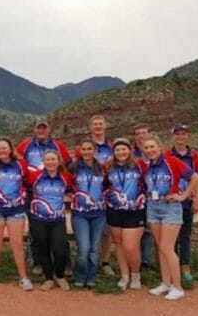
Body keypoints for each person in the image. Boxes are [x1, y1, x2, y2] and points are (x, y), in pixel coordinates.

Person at [143, 133, 198, 301]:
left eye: (152, 146)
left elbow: (195, 178)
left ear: (160, 147)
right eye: (146, 148)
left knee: (168, 248)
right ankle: (165, 283)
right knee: (161, 247)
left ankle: (178, 287)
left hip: (170, 207)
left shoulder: (172, 162)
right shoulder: (148, 166)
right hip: (153, 206)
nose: (149, 150)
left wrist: (184, 197)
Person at [17, 116, 71, 275]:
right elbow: (18, 164)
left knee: (59, 229)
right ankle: (38, 262)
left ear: (49, 129)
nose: (41, 130)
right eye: (38, 127)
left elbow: (68, 164)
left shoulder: (58, 145)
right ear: (34, 129)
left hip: (53, 191)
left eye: (44, 127)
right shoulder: (25, 145)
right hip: (32, 192)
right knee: (36, 230)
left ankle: (65, 262)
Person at [0, 138, 33, 291]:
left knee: (17, 244)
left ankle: (23, 277)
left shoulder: (21, 165)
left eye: (4, 148)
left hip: (15, 208)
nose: (1, 151)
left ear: (10, 149)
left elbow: (29, 182)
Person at [104, 138, 147, 290]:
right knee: (119, 243)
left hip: (135, 210)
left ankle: (135, 274)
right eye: (117, 150)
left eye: (124, 149)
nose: (121, 152)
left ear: (130, 151)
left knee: (131, 246)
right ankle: (124, 275)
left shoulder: (139, 165)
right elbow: (103, 185)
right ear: (113, 153)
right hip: (114, 210)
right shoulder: (108, 167)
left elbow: (149, 181)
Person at [76, 115, 116, 276]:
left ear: (105, 126)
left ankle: (105, 263)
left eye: (101, 124)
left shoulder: (112, 146)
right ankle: (84, 268)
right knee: (87, 241)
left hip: (106, 197)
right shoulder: (83, 149)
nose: (98, 127)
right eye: (95, 124)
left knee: (106, 233)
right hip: (86, 202)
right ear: (90, 127)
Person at [28, 150, 73, 291]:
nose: (50, 162)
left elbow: (71, 191)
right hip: (38, 218)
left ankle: (59, 276)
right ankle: (48, 278)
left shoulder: (65, 177)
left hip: (57, 219)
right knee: (43, 248)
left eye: (53, 159)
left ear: (58, 161)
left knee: (60, 249)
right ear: (43, 161)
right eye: (47, 159)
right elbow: (25, 189)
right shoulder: (35, 176)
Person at [165, 123, 198, 281]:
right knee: (171, 238)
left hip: (187, 202)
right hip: (172, 202)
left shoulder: (193, 156)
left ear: (187, 136)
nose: (181, 137)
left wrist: (197, 198)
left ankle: (185, 266)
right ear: (173, 136)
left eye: (183, 134)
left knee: (185, 236)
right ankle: (170, 265)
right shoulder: (167, 155)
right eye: (178, 134)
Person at [68, 139, 107, 288]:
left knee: (94, 247)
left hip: (98, 213)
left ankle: (92, 276)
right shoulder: (73, 168)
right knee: (83, 247)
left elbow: (107, 185)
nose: (86, 152)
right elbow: (65, 183)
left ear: (94, 151)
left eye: (89, 149)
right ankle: (80, 275)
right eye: (83, 149)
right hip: (80, 213)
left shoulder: (102, 168)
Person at [132, 123, 154, 271]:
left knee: (148, 230)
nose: (141, 136)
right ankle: (135, 261)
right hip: (134, 198)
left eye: (144, 133)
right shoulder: (130, 153)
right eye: (138, 133)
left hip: (152, 198)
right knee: (135, 229)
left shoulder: (155, 152)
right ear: (135, 136)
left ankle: (145, 262)